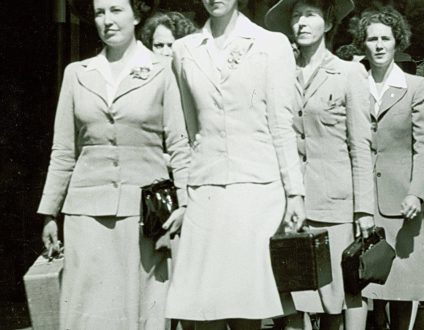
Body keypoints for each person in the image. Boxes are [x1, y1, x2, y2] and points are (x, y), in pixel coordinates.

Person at [39, 0, 189, 328]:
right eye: (99, 12)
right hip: (85, 212)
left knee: (141, 311)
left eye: (116, 10)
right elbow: (64, 150)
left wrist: (186, 202)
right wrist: (49, 212)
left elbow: (179, 143)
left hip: (144, 216)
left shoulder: (161, 70)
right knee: (88, 313)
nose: (107, 20)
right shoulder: (77, 74)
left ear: (137, 14)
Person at [163, 0, 305, 329]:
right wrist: (185, 193)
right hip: (206, 191)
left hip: (256, 191)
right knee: (204, 310)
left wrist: (294, 191)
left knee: (246, 308)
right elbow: (187, 129)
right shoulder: (183, 50)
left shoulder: (271, 44)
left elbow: (281, 126)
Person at [264, 0, 374, 329]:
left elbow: (360, 146)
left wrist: (364, 209)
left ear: (327, 22)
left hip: (335, 205)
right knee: (291, 297)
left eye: (309, 15)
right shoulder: (279, 74)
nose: (301, 23)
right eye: (296, 16)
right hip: (289, 203)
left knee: (340, 296)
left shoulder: (349, 72)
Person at [351, 7, 424, 330]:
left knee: (402, 294)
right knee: (367, 294)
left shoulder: (417, 87)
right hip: (362, 204)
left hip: (403, 208)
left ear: (396, 41)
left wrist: (417, 193)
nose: (378, 45)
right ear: (363, 43)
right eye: (371, 38)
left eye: (385, 38)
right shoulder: (353, 84)